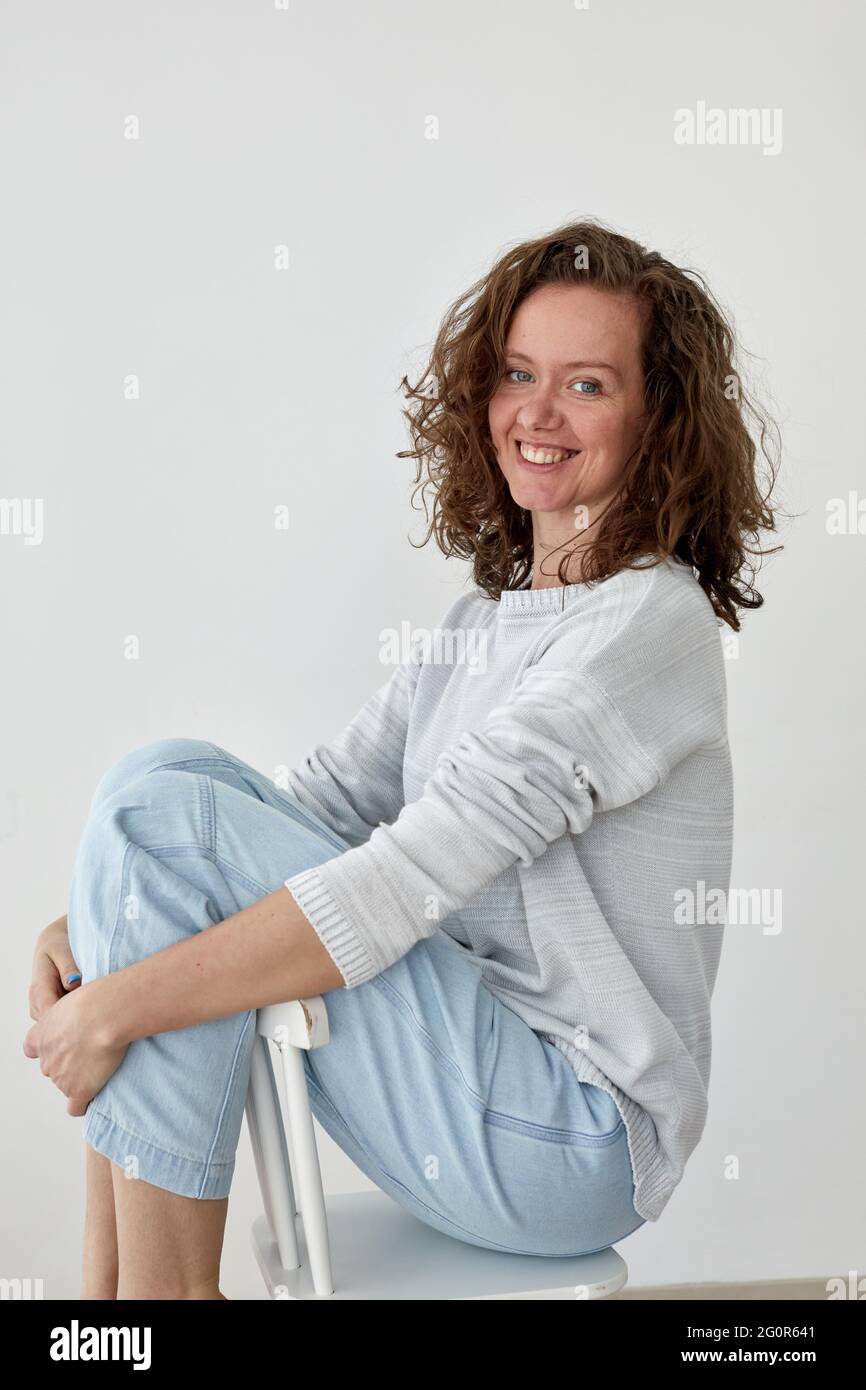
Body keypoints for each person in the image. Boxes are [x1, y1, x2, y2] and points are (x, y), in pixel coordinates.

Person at [25, 218, 781, 1300]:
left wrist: (120, 998)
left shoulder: (645, 625)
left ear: (657, 420)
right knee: (150, 784)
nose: (536, 412)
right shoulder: (484, 623)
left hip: (566, 1136)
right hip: (470, 1093)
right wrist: (95, 908)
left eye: (586, 385)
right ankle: (107, 1314)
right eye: (517, 373)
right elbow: (317, 807)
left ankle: (156, 1308)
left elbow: (398, 882)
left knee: (160, 827)